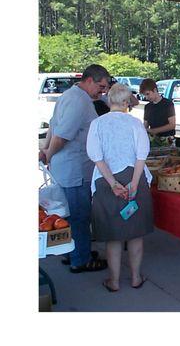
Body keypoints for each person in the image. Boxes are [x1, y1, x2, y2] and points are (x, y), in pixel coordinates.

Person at [40, 64, 111, 273]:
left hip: (67, 167)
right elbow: (61, 135)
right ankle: (80, 260)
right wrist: (48, 154)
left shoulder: (68, 95)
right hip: (75, 169)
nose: (103, 91)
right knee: (79, 216)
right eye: (101, 86)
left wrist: (45, 151)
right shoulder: (79, 101)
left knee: (69, 214)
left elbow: (53, 127)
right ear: (89, 80)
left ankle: (73, 251)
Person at [86, 84, 154, 292]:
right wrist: (133, 183)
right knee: (135, 234)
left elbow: (96, 156)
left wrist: (113, 183)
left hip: (105, 181)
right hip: (134, 176)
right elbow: (142, 155)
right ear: (126, 103)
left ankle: (114, 281)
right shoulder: (134, 124)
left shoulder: (97, 124)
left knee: (112, 236)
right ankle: (135, 277)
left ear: (109, 101)